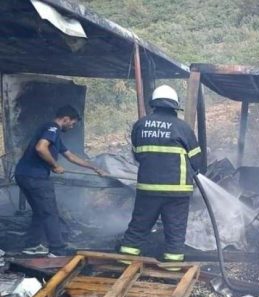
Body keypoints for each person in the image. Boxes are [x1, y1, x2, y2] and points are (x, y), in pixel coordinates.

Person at [119, 85, 204, 263]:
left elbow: (137, 155)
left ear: (154, 105)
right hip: (177, 190)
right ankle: (172, 267)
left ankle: (125, 260)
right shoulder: (182, 127)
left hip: (148, 188)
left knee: (139, 226)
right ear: (174, 107)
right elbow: (196, 159)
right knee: (175, 229)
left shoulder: (140, 125)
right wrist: (196, 172)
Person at [15, 105, 106, 256]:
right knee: (50, 212)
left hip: (23, 175)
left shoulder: (55, 134)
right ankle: (57, 250)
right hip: (35, 177)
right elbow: (40, 148)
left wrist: (93, 167)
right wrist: (55, 165)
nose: (72, 126)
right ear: (66, 119)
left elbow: (70, 156)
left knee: (40, 211)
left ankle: (32, 245)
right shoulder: (52, 128)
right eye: (72, 123)